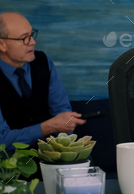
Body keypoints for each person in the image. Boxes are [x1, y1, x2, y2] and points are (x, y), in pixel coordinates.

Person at [0, 12, 85, 147]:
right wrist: (47, 128)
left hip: (51, 151)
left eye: (32, 34)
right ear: (2, 45)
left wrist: (64, 142)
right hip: (11, 160)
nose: (33, 42)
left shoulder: (44, 62)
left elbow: (61, 110)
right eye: (24, 38)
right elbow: (2, 139)